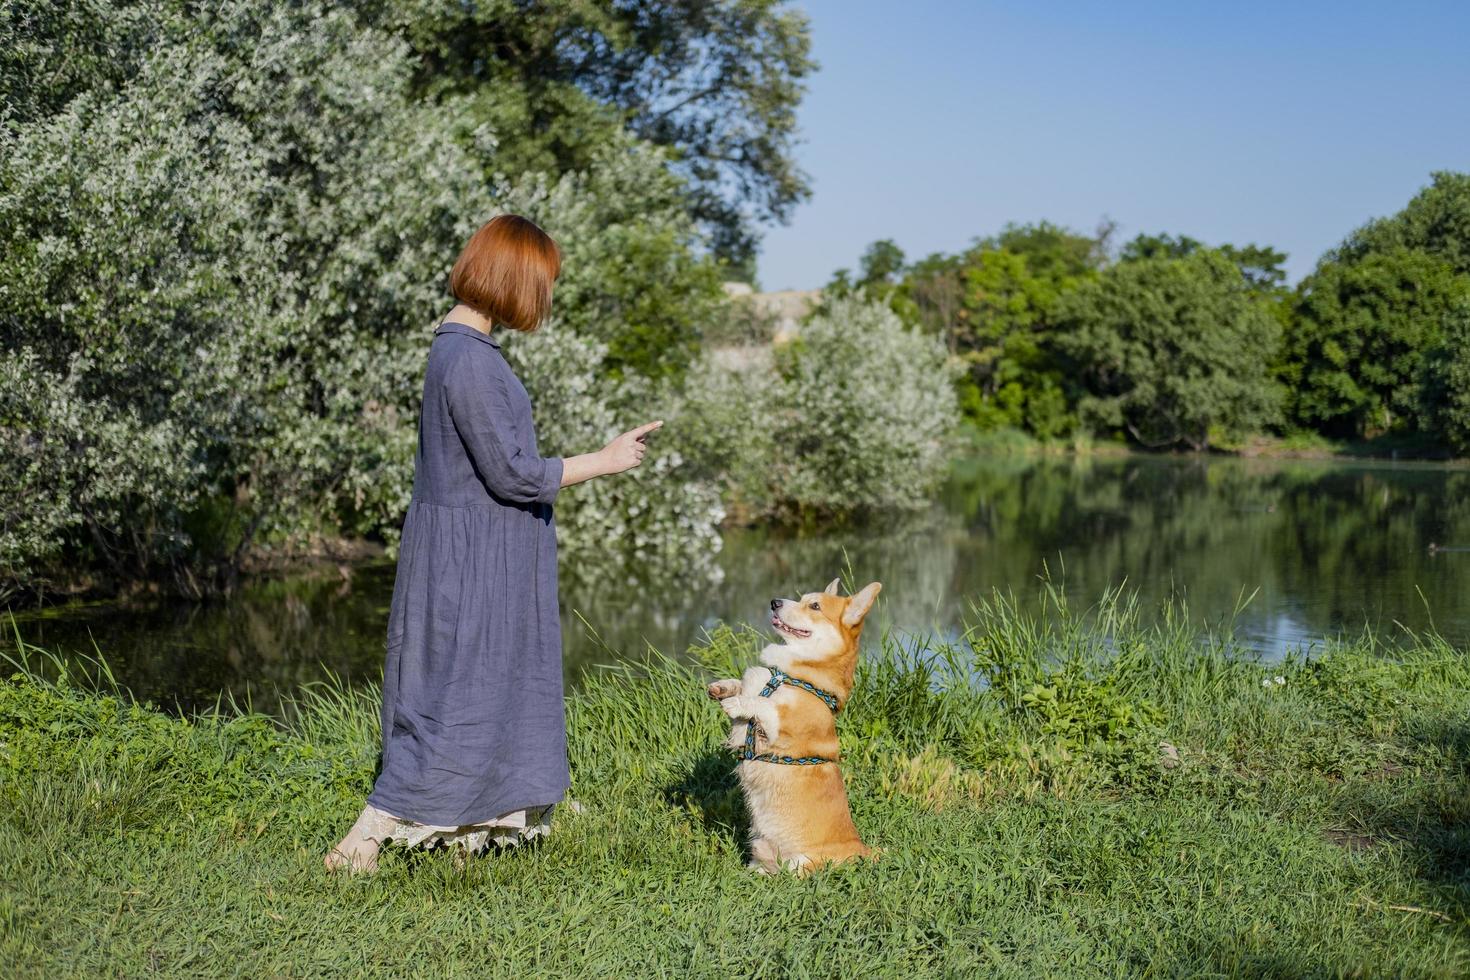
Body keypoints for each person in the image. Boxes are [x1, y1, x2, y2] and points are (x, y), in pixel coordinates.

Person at [325, 214, 660, 872]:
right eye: (545, 282)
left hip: (482, 545)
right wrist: (605, 458)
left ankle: (495, 817)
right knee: (454, 688)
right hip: (475, 556)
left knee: (487, 682)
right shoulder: (467, 361)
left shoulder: (461, 350)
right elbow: (510, 472)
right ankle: (363, 840)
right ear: (515, 279)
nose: (547, 296)